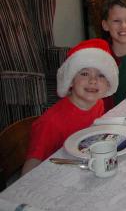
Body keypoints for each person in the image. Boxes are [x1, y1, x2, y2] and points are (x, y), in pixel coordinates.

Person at [22, 39, 119, 175]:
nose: (93, 80)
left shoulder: (98, 104)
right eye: (84, 74)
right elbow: (30, 169)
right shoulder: (51, 123)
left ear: (108, 83)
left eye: (101, 75)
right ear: (71, 80)